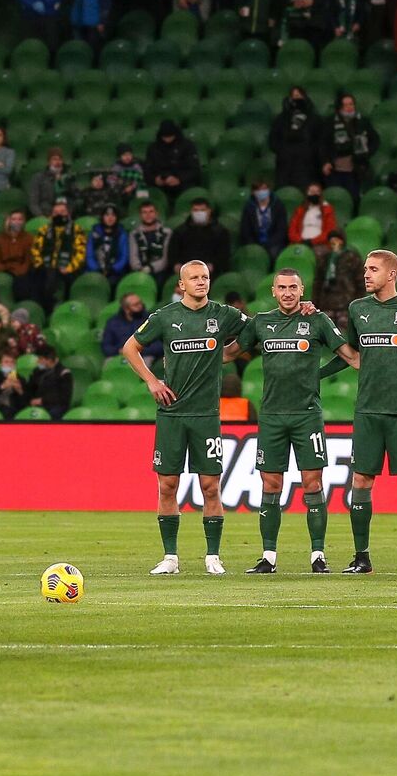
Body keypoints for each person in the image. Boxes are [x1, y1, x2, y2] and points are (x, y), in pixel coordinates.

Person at [121, 260, 249, 574]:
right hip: (172, 414)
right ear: (182, 285)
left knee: (210, 486)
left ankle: (212, 557)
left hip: (206, 415)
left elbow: (258, 330)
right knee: (167, 485)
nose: (201, 282)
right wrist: (153, 381)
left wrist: (228, 354)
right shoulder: (165, 317)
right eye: (194, 277)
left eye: (205, 276)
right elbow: (129, 348)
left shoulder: (223, 315)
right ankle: (170, 558)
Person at [322, 249, 397, 574]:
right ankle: (362, 558)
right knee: (361, 480)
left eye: (373, 269)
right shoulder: (358, 309)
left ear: (392, 274)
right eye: (366, 269)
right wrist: (316, 374)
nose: (366, 274)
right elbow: (350, 354)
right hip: (368, 412)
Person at [229, 269, 352, 573]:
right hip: (271, 416)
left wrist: (320, 374)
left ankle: (318, 555)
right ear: (273, 291)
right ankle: (268, 557)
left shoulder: (317, 320)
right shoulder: (261, 322)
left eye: (293, 287)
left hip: (306, 415)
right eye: (282, 287)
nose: (287, 292)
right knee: (271, 484)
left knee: (313, 483)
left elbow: (348, 354)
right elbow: (230, 352)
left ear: (302, 290)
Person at [29, 199, 87, 305]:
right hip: (46, 269)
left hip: (68, 270)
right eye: (55, 213)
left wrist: (69, 268)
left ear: (68, 214)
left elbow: (81, 253)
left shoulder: (77, 230)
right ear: (51, 215)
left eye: (62, 212)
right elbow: (35, 250)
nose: (59, 215)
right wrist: (40, 264)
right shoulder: (44, 230)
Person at [323, 93, 377, 197]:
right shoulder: (330, 122)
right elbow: (323, 144)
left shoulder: (362, 121)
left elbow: (375, 140)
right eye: (345, 105)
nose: (349, 107)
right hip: (336, 171)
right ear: (339, 107)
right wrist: (325, 161)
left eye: (351, 104)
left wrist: (367, 152)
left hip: (357, 169)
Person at [168, 197, 231, 277]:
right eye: (195, 210)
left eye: (202, 210)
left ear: (209, 211)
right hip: (186, 272)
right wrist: (176, 265)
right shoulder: (180, 231)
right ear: (191, 212)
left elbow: (223, 255)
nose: (199, 213)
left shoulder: (220, 232)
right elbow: (173, 253)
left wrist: (213, 266)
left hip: (210, 273)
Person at [145, 119, 201, 197]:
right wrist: (155, 179)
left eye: (170, 136)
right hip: (160, 186)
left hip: (183, 184)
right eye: (165, 137)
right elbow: (148, 170)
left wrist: (179, 179)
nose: (167, 140)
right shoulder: (153, 148)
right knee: (142, 193)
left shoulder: (187, 146)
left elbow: (195, 170)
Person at [238, 180, 287, 260]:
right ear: (253, 192)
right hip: (255, 243)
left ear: (269, 190)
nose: (262, 192)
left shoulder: (278, 206)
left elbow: (281, 230)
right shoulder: (248, 208)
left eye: (264, 189)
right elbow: (245, 230)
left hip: (274, 243)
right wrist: (255, 245)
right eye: (259, 190)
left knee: (273, 253)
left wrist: (268, 244)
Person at [85, 205, 131, 285]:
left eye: (113, 215)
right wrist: (97, 269)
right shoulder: (94, 233)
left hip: (115, 272)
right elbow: (89, 255)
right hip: (95, 271)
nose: (110, 218)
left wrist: (113, 269)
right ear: (102, 217)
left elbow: (124, 256)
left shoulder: (122, 234)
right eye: (107, 215)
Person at [28, 343, 74, 419]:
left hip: (56, 406)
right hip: (39, 405)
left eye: (40, 359)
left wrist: (42, 400)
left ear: (48, 360)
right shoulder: (37, 371)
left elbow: (64, 397)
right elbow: (31, 389)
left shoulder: (64, 373)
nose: (38, 362)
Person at [27, 148, 71, 218]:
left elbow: (75, 198)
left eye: (60, 159)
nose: (57, 162)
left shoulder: (69, 177)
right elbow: (33, 203)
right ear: (48, 162)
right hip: (45, 216)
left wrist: (69, 213)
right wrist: (41, 217)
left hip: (66, 216)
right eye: (54, 159)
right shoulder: (39, 177)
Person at [0, 352, 29, 419]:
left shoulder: (20, 379)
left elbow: (25, 404)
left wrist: (20, 391)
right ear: (1, 364)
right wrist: (2, 386)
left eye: (12, 362)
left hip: (11, 410)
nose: (9, 365)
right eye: (6, 362)